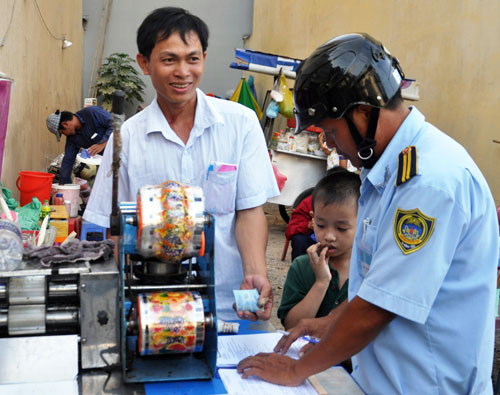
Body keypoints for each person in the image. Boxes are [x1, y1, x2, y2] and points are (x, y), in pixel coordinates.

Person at [237, 33, 499, 393]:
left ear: (362, 113)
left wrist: (297, 370)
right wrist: (328, 321)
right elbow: (380, 285)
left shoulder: (428, 182)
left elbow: (380, 307)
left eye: (330, 131)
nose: (329, 144)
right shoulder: (386, 173)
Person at [83, 7, 279, 321]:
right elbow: (110, 227)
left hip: (230, 302)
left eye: (192, 58)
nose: (183, 72)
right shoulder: (128, 138)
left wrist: (256, 273)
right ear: (144, 63)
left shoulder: (240, 123)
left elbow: (249, 210)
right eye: (169, 59)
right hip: (153, 308)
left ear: (204, 56)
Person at [278, 167, 360, 330]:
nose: (329, 236)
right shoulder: (302, 267)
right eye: (321, 225)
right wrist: (321, 282)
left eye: (341, 228)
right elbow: (291, 327)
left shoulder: (368, 269)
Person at [46, 106, 113, 184]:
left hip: (124, 153)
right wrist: (63, 185)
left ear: (65, 124)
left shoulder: (92, 112)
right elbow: (68, 160)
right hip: (107, 165)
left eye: (62, 133)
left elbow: (116, 124)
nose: (65, 135)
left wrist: (103, 143)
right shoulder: (72, 138)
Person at [284, 194, 314, 261]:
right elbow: (290, 231)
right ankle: (298, 270)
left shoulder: (342, 201)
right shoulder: (310, 201)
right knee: (299, 239)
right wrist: (308, 225)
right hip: (313, 240)